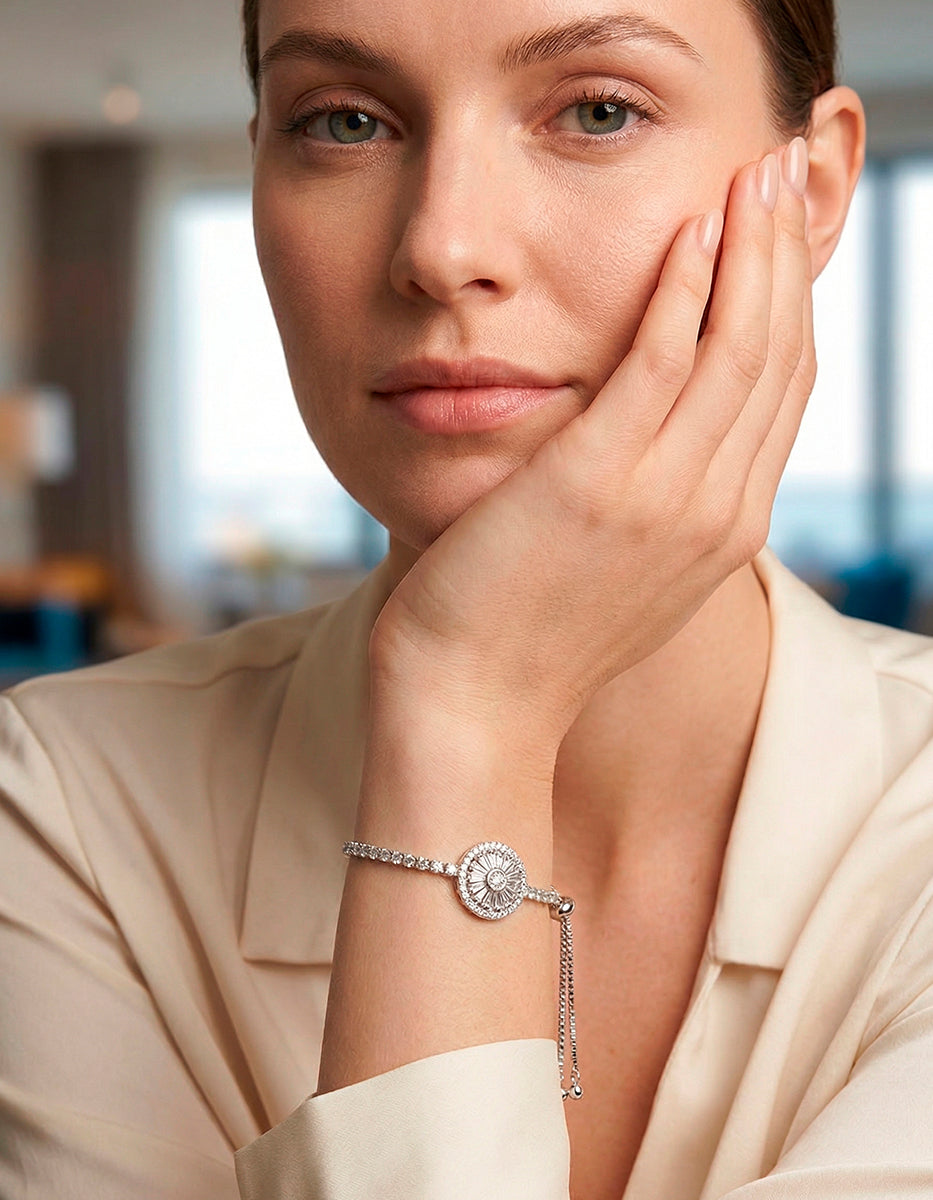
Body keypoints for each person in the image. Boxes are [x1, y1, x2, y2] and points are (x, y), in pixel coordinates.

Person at [3, 0, 933, 1197]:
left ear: (808, 189)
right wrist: (467, 720)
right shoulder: (71, 806)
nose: (440, 247)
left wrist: (472, 698)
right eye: (343, 122)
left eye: (599, 111)